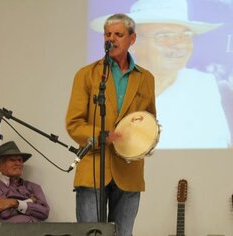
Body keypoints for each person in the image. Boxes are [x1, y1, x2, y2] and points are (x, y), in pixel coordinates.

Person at [90, 0, 231, 149]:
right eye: (164, 36)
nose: (179, 44)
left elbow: (223, 146)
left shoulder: (202, 85)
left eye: (185, 36)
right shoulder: (106, 90)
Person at [66, 13, 156, 236]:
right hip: (93, 167)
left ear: (132, 39)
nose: (112, 39)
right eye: (108, 34)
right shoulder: (87, 75)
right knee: (91, 233)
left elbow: (149, 120)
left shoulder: (146, 78)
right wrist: (102, 136)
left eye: (118, 34)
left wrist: (148, 140)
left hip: (129, 170)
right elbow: (74, 123)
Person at [0, 141, 49, 222]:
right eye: (12, 160)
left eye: (20, 160)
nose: (17, 163)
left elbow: (44, 212)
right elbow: (5, 212)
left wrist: (15, 203)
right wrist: (30, 201)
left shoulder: (34, 187)